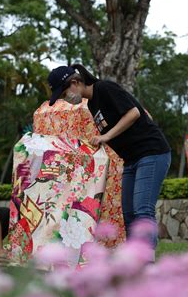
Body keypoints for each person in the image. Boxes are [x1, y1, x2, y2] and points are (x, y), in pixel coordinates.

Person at [47, 64, 171, 254]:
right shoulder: (91, 104)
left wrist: (106, 136)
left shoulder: (104, 88)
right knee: (129, 215)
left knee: (142, 210)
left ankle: (146, 261)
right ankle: (134, 260)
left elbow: (134, 113)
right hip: (130, 160)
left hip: (151, 152)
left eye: (64, 94)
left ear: (75, 82)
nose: (66, 99)